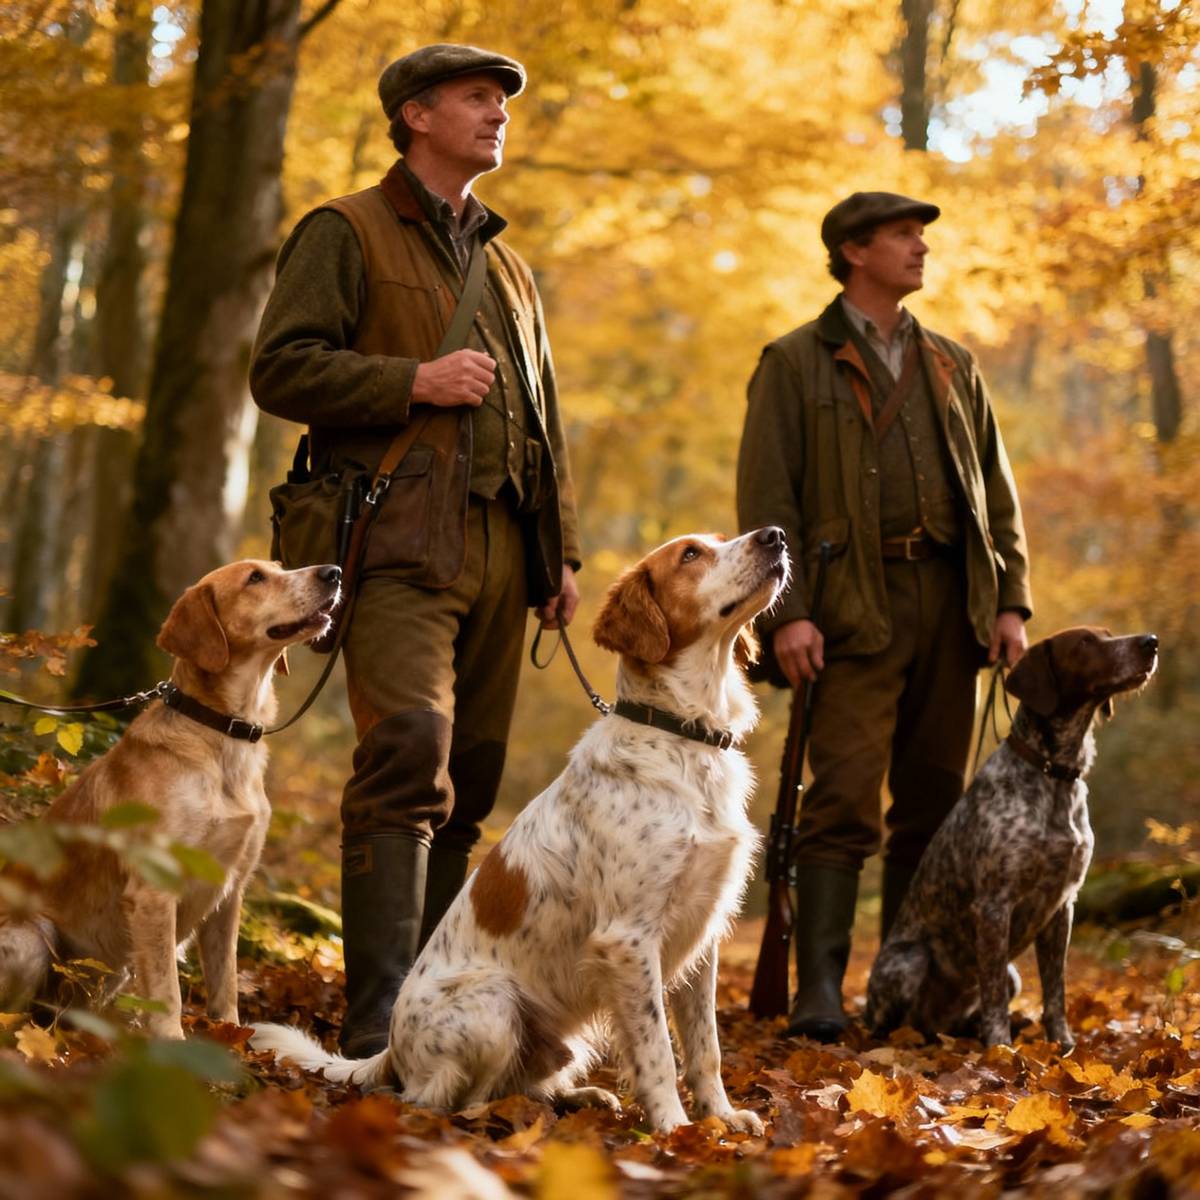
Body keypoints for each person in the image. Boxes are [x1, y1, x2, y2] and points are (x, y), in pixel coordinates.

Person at [250, 44, 581, 1056]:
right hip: (390, 541)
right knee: (407, 755)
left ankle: (436, 1014)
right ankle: (377, 1019)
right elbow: (280, 370)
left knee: (470, 786)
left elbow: (543, 418)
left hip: (499, 550)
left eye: (502, 102)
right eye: (478, 99)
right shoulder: (342, 230)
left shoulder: (512, 267)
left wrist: (557, 554)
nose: (498, 115)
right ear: (416, 114)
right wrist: (411, 383)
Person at [736, 191, 1031, 1042]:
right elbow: (766, 501)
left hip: (952, 607)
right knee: (842, 806)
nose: (921, 248)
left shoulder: (952, 363)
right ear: (854, 251)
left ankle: (905, 988)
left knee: (935, 807)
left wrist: (1009, 599)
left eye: (921, 236)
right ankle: (819, 991)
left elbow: (996, 498)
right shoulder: (793, 361)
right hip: (846, 613)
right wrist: (786, 613)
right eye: (904, 235)